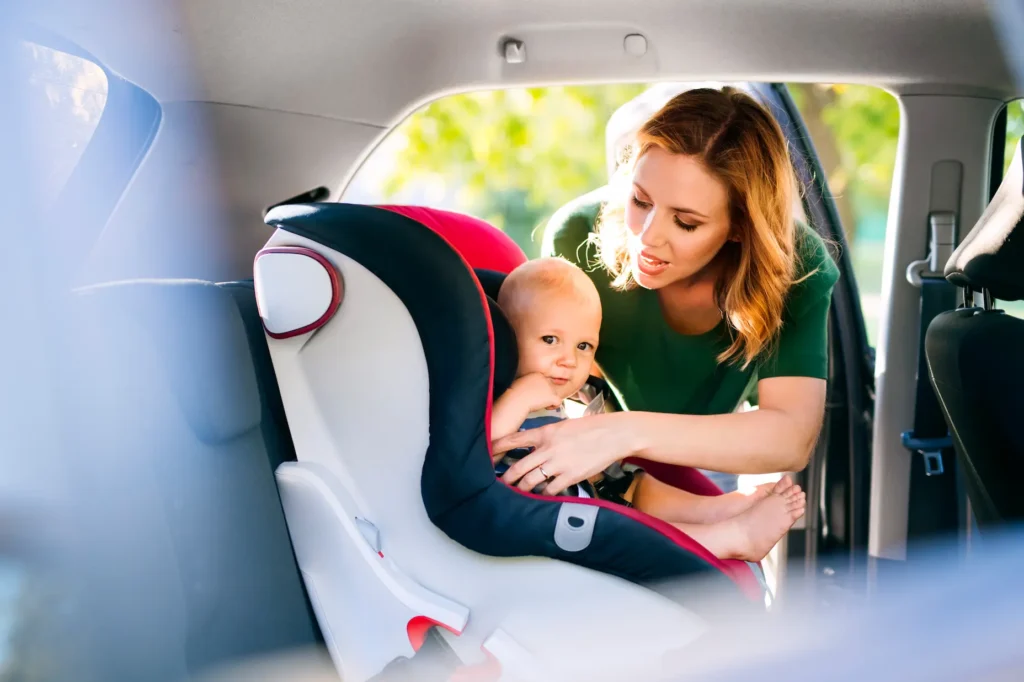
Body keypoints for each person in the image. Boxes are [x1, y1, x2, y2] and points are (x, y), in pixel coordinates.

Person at [493, 86, 840, 504]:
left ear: (739, 227)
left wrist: (621, 434)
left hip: (714, 445)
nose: (647, 237)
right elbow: (553, 379)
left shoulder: (796, 267)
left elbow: (790, 436)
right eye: (640, 200)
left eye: (687, 223)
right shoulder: (577, 237)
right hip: (597, 436)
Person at [490, 256, 806, 562]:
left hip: (587, 494)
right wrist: (519, 397)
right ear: (507, 337)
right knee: (620, 529)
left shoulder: (572, 397)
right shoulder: (496, 392)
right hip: (553, 522)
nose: (569, 359)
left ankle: (717, 509)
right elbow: (476, 454)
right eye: (549, 339)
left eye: (583, 346)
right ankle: (731, 537)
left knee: (631, 480)